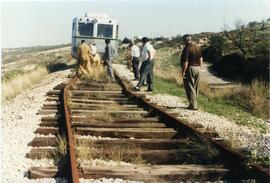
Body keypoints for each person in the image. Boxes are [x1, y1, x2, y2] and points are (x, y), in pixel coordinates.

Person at [180, 34, 203, 110]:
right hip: (198, 68)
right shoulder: (197, 47)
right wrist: (200, 68)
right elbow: (201, 60)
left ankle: (193, 106)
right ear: (190, 39)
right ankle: (194, 104)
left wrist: (183, 71)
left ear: (184, 40)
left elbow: (185, 61)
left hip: (190, 68)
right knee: (195, 87)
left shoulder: (186, 48)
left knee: (189, 87)